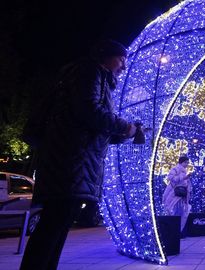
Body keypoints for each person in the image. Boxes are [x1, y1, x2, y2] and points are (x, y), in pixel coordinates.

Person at [20, 39, 137, 270]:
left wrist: (125, 133)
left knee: (59, 222)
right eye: (121, 59)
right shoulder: (89, 71)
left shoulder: (95, 77)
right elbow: (89, 111)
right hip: (69, 161)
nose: (124, 66)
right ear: (105, 55)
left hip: (75, 161)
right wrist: (124, 126)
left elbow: (91, 125)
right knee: (54, 223)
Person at [162, 156, 192, 238]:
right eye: (185, 162)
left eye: (187, 162)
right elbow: (171, 178)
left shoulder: (184, 171)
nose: (187, 164)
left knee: (181, 213)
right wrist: (184, 177)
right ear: (181, 162)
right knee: (174, 212)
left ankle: (178, 231)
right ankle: (173, 231)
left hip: (182, 196)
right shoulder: (175, 169)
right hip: (174, 195)